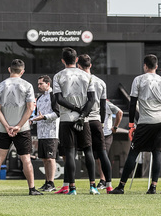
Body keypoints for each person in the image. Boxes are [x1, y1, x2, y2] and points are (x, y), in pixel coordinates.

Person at [110, 54, 161, 194]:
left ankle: (121, 187)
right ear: (156, 66)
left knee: (134, 152)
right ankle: (153, 187)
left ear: (145, 66)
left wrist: (131, 125)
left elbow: (132, 105)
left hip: (146, 121)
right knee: (157, 152)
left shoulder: (138, 80)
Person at [0, 59, 42, 196]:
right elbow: (29, 109)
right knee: (26, 158)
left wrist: (6, 126)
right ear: (22, 71)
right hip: (22, 128)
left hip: (4, 129)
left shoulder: (0, 86)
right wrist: (18, 126)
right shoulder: (27, 86)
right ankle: (32, 189)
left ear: (9, 70)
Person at [53, 47, 98, 195]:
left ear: (62, 60)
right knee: (88, 151)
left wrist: (75, 109)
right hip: (83, 120)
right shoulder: (86, 75)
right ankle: (93, 186)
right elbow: (92, 100)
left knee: (70, 153)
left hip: (66, 119)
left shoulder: (58, 76)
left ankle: (72, 188)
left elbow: (59, 99)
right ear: (77, 59)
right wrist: (82, 114)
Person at [77, 54, 112, 193]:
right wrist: (102, 123)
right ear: (90, 65)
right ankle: (108, 185)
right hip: (97, 120)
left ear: (78, 66)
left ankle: (90, 184)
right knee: (103, 153)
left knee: (88, 152)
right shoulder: (101, 82)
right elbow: (103, 106)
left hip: (83, 120)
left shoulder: (78, 81)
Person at [30, 75, 60, 192]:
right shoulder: (40, 98)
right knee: (44, 158)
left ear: (48, 84)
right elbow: (37, 114)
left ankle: (51, 183)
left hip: (51, 132)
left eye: (41, 84)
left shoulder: (54, 96)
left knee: (50, 158)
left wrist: (44, 117)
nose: (38, 86)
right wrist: (32, 119)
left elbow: (57, 113)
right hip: (41, 132)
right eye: (38, 84)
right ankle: (47, 182)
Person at [96, 100, 123, 189]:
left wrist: (115, 127)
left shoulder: (107, 104)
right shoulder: (92, 102)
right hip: (96, 134)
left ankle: (104, 180)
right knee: (98, 158)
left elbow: (119, 112)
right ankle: (103, 180)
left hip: (106, 134)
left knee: (102, 157)